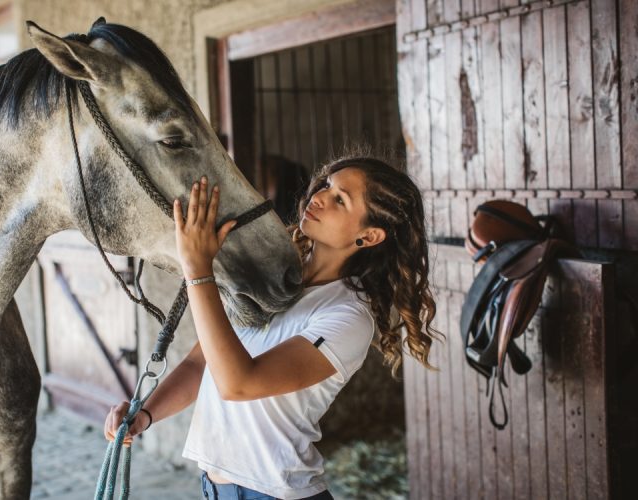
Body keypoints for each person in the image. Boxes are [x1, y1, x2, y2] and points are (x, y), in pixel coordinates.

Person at [104, 154, 439, 500]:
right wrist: (143, 414)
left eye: (341, 199)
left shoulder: (348, 316)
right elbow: (199, 364)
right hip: (214, 489)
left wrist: (198, 269)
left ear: (369, 237)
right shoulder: (270, 279)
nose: (319, 197)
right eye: (326, 185)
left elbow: (239, 383)